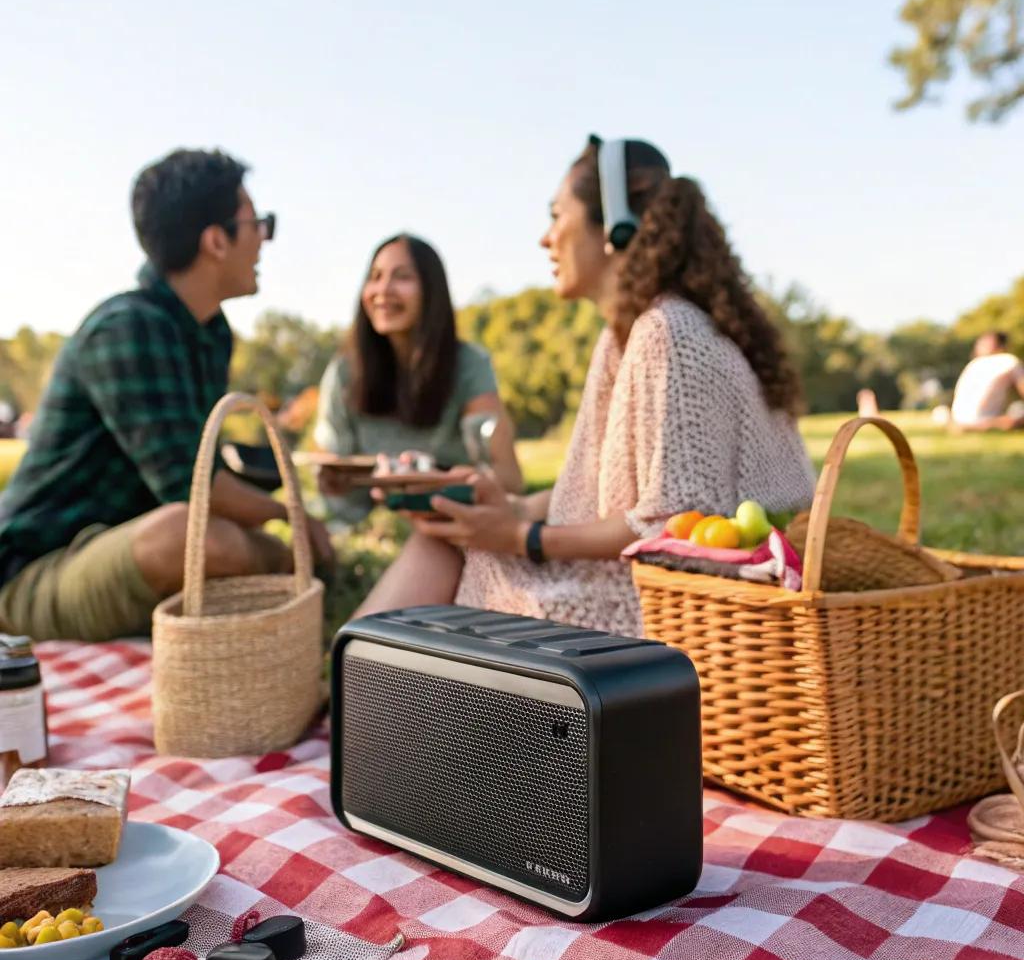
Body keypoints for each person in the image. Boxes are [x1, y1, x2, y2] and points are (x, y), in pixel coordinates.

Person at [355, 136, 816, 636]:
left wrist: (521, 535)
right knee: (445, 536)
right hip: (645, 590)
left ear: (614, 227)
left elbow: (671, 529)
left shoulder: (668, 332)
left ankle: (351, 696)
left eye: (557, 216)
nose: (546, 238)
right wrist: (504, 507)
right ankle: (352, 692)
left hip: (657, 614)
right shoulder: (636, 332)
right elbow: (611, 496)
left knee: (455, 553)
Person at [0, 148, 332, 643]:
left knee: (211, 538)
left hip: (118, 548)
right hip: (37, 570)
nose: (264, 239)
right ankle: (309, 578)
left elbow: (201, 464)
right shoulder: (128, 329)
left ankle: (302, 580)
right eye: (258, 223)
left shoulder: (209, 333)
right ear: (216, 241)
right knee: (192, 534)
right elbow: (193, 488)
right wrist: (294, 519)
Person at [314, 233, 521, 524]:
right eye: (375, 276)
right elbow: (334, 476)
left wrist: (438, 484)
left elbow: (509, 479)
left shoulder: (469, 365)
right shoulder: (344, 373)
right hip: (368, 528)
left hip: (445, 521)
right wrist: (336, 485)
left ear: (431, 291)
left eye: (402, 277)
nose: (383, 289)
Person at [950, 331, 1024, 431]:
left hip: (957, 419)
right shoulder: (1009, 360)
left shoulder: (974, 363)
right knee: (1018, 410)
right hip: (983, 420)